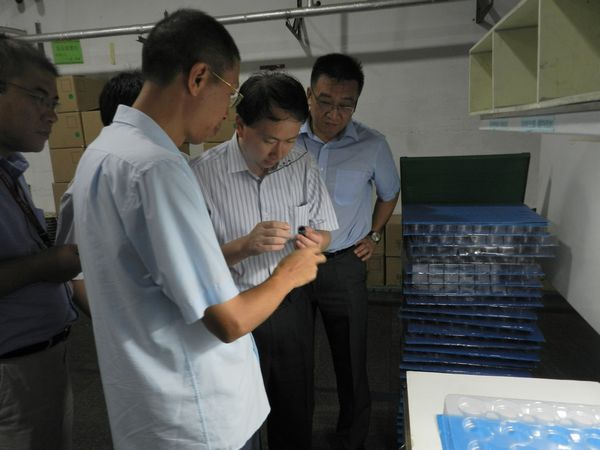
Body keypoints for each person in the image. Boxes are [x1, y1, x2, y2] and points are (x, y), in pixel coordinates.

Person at [68, 10, 325, 450]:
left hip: (149, 403)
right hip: (195, 411)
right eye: (229, 94)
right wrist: (290, 273)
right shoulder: (159, 169)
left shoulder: (101, 153)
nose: (227, 113)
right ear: (198, 78)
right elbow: (229, 320)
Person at [190, 71, 338, 450]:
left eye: (290, 139)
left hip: (290, 308)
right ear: (240, 126)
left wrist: (316, 241)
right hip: (233, 310)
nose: (280, 152)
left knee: (294, 410)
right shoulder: (201, 174)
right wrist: (244, 246)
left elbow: (326, 231)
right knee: (238, 417)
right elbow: (190, 264)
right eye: (270, 140)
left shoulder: (302, 164)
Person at [299, 53, 401, 450]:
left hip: (343, 266)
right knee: (292, 360)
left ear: (356, 104)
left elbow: (389, 194)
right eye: (325, 101)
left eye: (346, 105)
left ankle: (351, 440)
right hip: (290, 264)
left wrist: (374, 236)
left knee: (351, 360)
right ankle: (293, 437)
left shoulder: (373, 145)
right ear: (309, 95)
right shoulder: (286, 139)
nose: (333, 114)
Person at [0, 34, 83, 449]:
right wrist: (48, 265)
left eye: (54, 102)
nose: (51, 115)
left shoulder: (10, 169)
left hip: (41, 356)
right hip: (12, 371)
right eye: (38, 98)